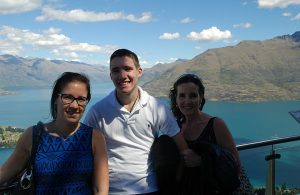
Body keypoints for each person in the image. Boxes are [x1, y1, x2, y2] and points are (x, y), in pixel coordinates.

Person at [84, 48, 188, 195]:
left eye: (127, 69)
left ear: (139, 72)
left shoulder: (157, 107)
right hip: (111, 190)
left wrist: (177, 182)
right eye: (116, 70)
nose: (122, 75)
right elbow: (81, 148)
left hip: (149, 189)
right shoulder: (98, 111)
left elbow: (182, 148)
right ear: (111, 75)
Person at [0, 72, 109, 194]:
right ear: (56, 99)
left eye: (81, 99)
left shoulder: (94, 138)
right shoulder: (33, 136)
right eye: (67, 97)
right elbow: (4, 174)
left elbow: (100, 190)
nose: (74, 105)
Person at [168, 73, 241, 194]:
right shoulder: (175, 127)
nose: (187, 101)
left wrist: (202, 161)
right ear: (176, 99)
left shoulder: (216, 125)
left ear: (200, 97)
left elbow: (235, 163)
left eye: (192, 96)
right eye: (182, 96)